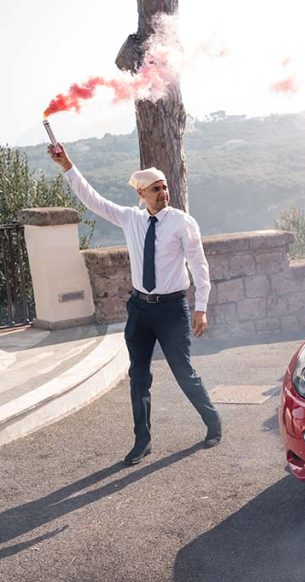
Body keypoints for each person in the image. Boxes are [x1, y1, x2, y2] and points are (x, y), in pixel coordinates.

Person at [48, 144, 221, 467]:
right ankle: (142, 441)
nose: (164, 192)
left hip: (172, 310)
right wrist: (68, 166)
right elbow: (93, 200)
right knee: (138, 376)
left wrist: (201, 306)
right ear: (142, 193)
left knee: (183, 371)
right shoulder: (131, 219)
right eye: (156, 189)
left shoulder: (182, 222)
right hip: (140, 310)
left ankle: (213, 421)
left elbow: (199, 266)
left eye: (165, 186)